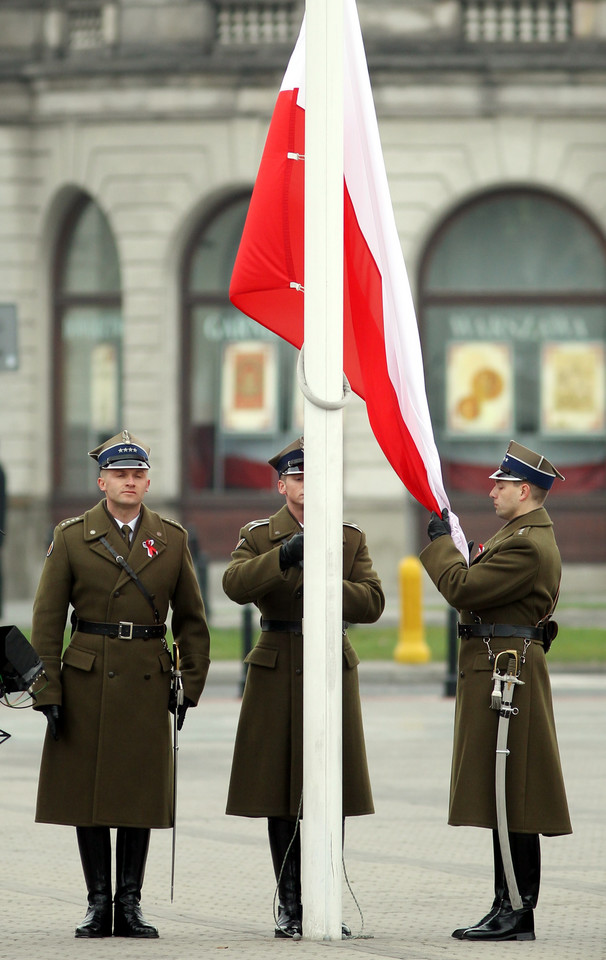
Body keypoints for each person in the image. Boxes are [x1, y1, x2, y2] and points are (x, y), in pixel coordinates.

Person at [31, 430, 211, 939]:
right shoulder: (71, 536)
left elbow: (193, 621)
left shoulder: (172, 538)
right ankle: (96, 904)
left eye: (137, 475)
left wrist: (190, 685)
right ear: (102, 481)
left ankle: (129, 903)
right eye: (120, 475)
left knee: (139, 793)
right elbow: (46, 622)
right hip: (87, 676)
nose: (129, 482)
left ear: (148, 482)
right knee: (88, 795)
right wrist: (48, 691)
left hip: (147, 678)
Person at [222, 437, 384, 939]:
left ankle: (324, 898)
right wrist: (284, 556)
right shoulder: (260, 534)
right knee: (279, 788)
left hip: (329, 662)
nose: (307, 487)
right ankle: (290, 905)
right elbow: (234, 585)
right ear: (283, 484)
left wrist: (325, 579)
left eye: (317, 476)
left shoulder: (349, 536)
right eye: (298, 478)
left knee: (329, 786)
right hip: (277, 661)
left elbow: (373, 602)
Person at [420, 440, 572, 942]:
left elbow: (464, 588)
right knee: (503, 792)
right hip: (500, 672)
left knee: (515, 794)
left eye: (500, 484)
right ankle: (504, 901)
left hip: (511, 675)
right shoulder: (518, 534)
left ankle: (518, 911)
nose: (491, 491)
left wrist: (442, 545)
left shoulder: (528, 542)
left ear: (524, 490)